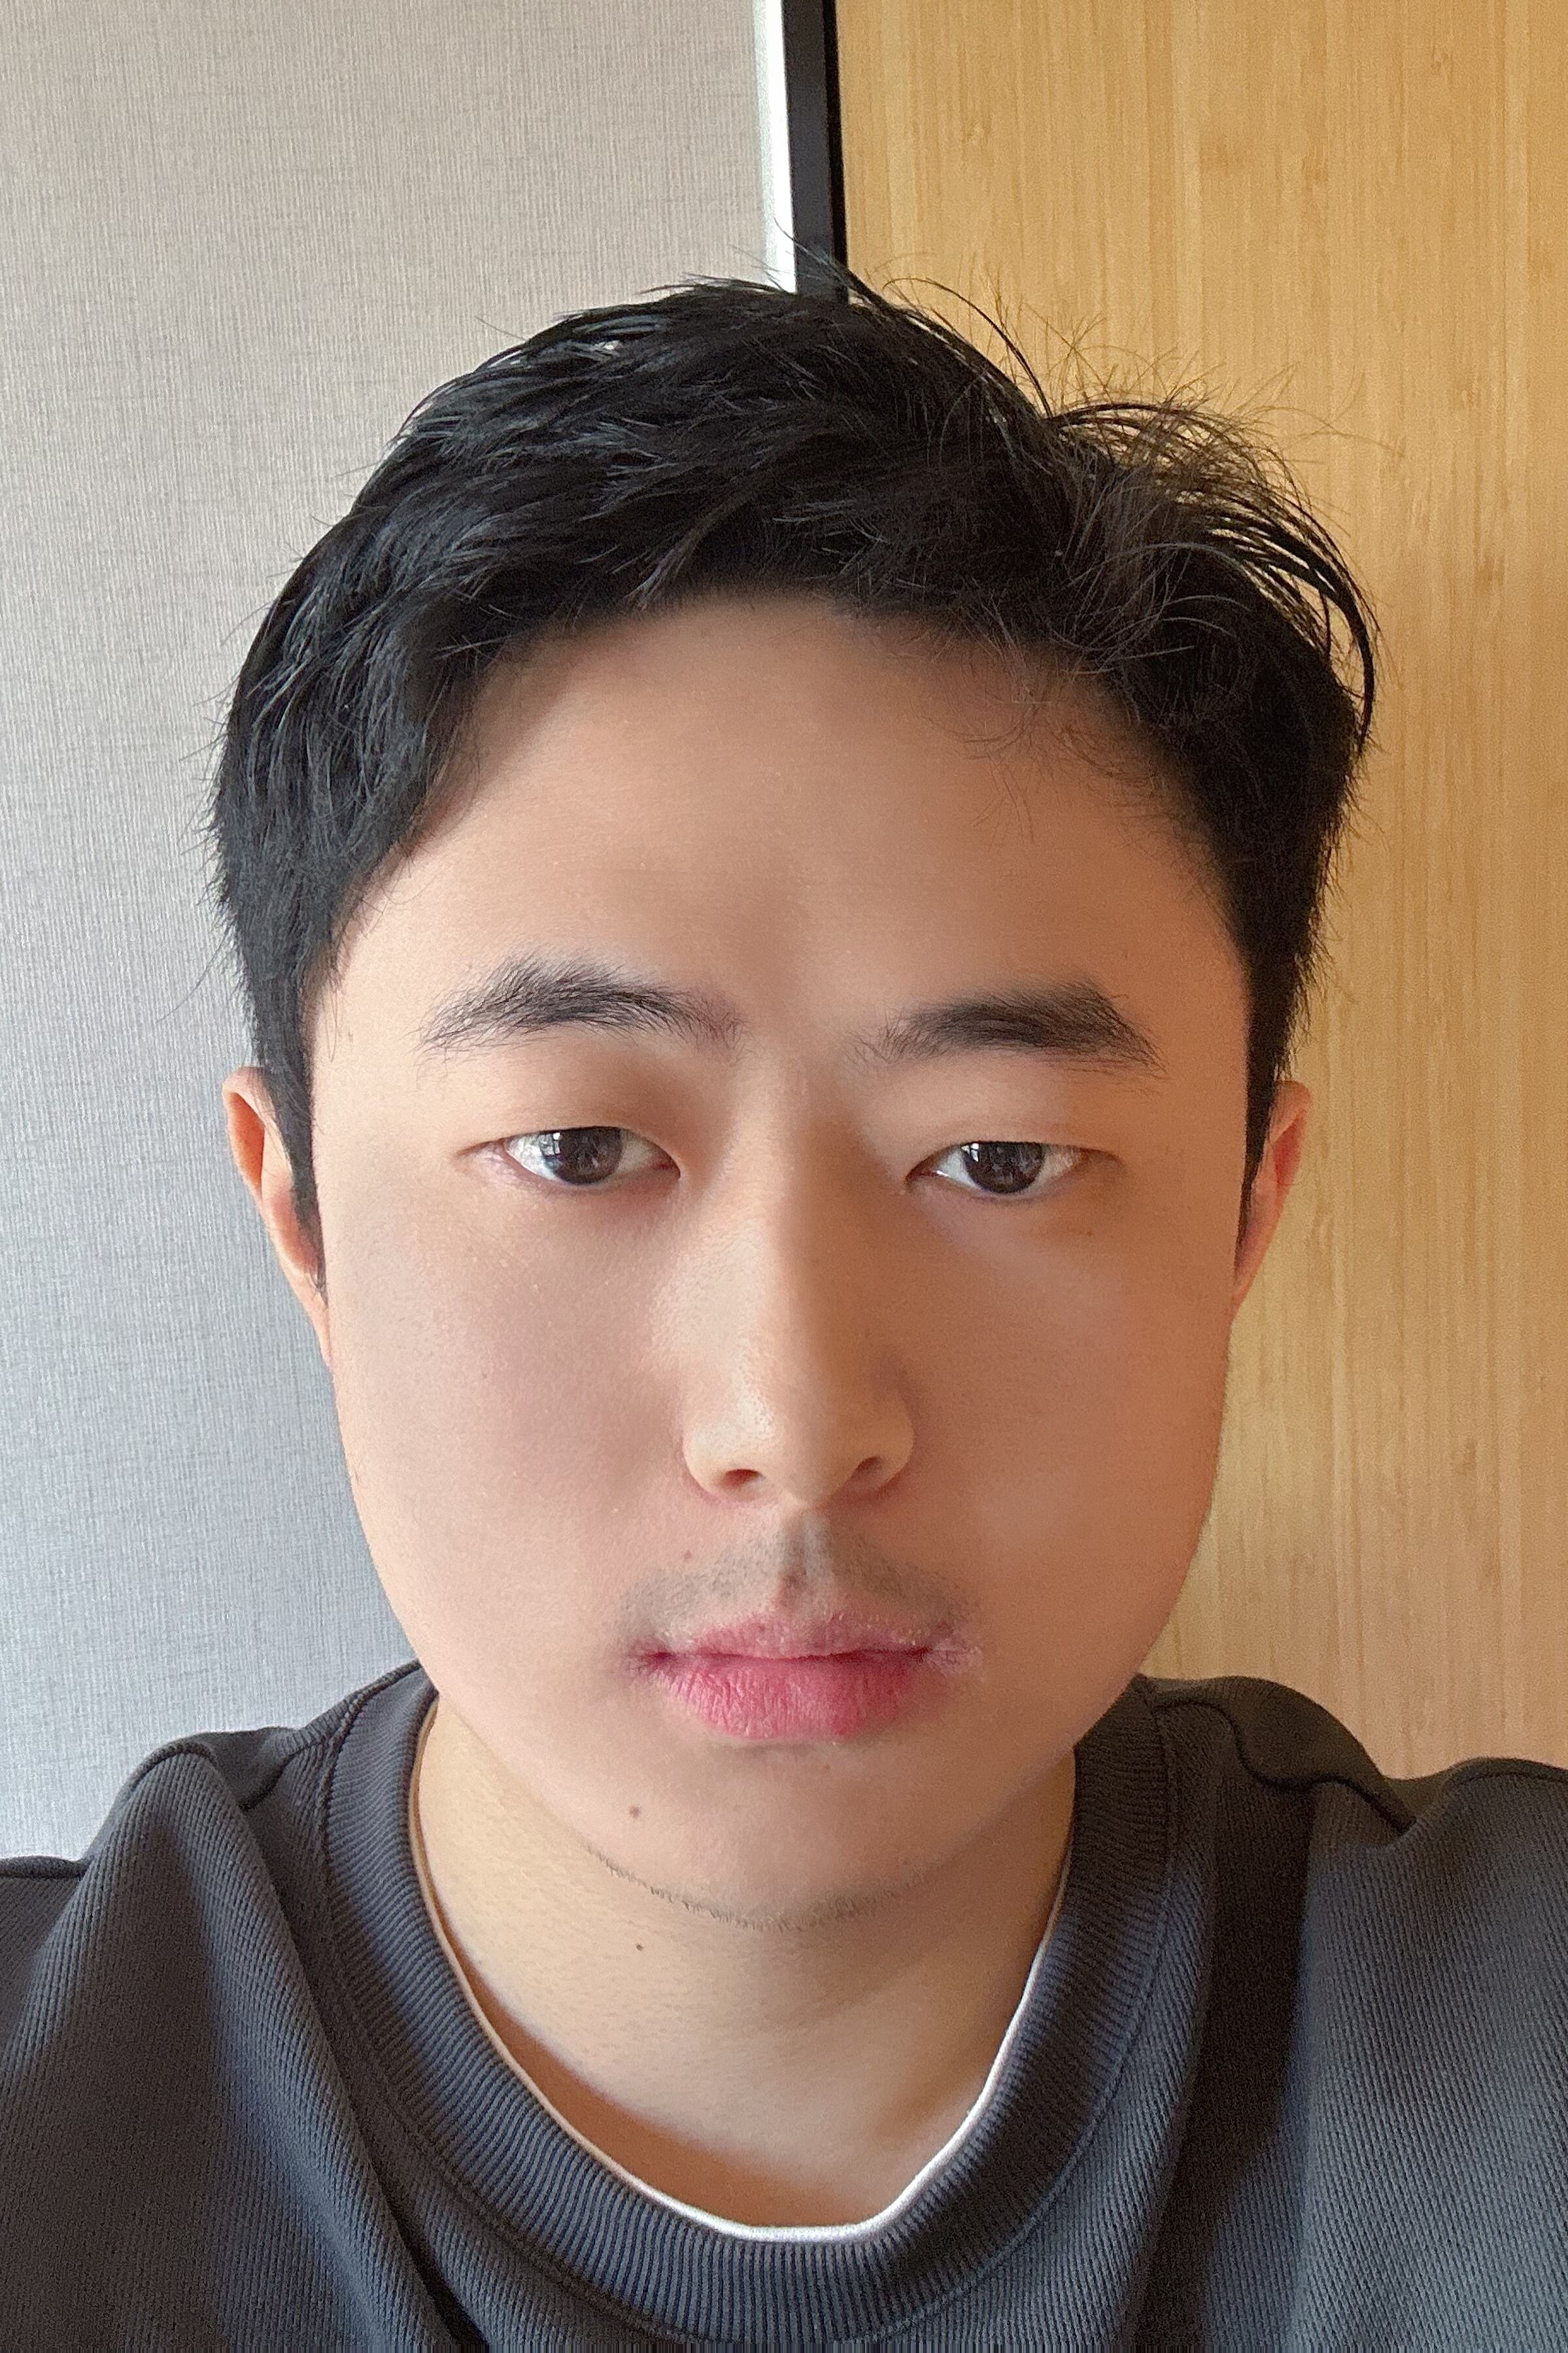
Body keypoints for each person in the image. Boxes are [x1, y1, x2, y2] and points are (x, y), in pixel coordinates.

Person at [2, 270, 1564, 2350]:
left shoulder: (1512, 2058)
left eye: (1000, 1159)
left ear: (1243, 1213)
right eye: (580, 1149)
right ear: (301, 1215)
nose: (796, 1419)